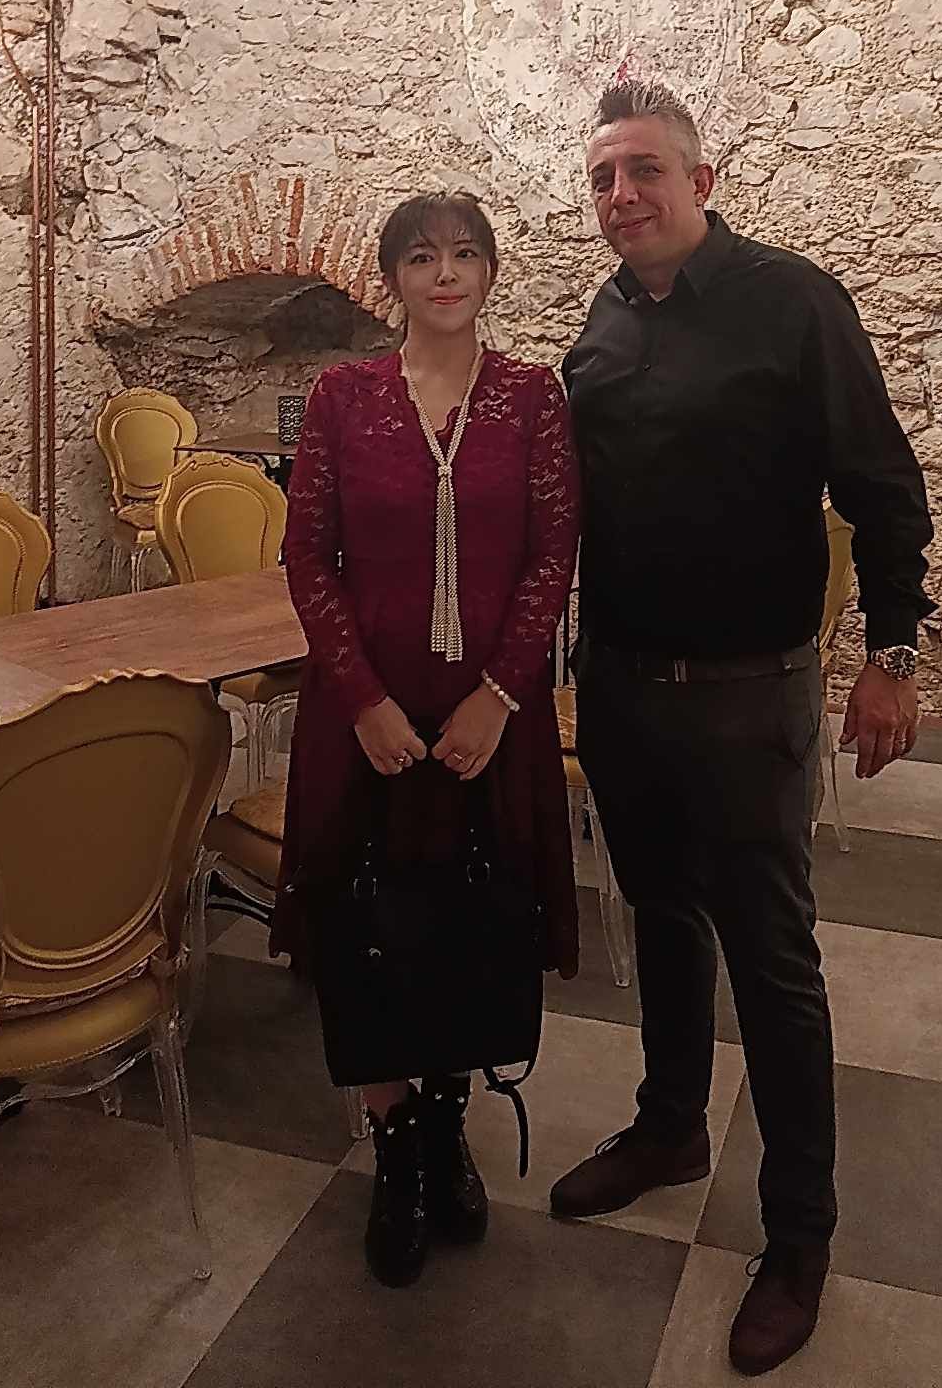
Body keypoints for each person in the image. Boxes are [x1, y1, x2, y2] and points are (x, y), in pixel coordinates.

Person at [555, 79, 935, 1378]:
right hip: (623, 685)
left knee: (773, 964)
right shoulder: (603, 324)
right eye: (603, 177)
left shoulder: (795, 303)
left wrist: (890, 656)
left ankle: (799, 1237)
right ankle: (670, 1127)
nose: (622, 196)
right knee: (662, 921)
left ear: (702, 182)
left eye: (645, 170)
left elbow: (884, 487)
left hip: (747, 693)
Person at [273, 190, 580, 1290]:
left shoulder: (531, 398)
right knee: (368, 929)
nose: (443, 274)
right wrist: (362, 699)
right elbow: (307, 556)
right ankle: (394, 1144)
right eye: (419, 257)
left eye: (462, 254)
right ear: (391, 280)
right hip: (368, 723)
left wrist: (499, 695)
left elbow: (553, 554)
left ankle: (447, 1121)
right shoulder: (342, 397)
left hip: (489, 725)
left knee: (467, 925)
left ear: (490, 272)